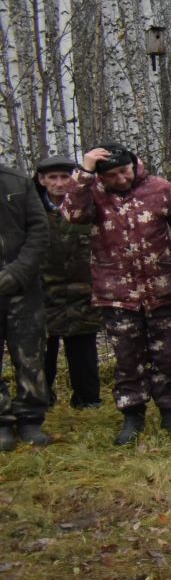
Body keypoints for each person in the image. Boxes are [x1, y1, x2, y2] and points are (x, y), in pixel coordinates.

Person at [60, 146, 171, 444]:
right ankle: (132, 415)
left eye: (125, 171)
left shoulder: (159, 188)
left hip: (160, 288)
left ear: (135, 164)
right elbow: (72, 215)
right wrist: (84, 173)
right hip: (116, 292)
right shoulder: (92, 192)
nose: (122, 179)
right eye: (112, 175)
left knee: (166, 354)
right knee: (126, 357)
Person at [34, 159, 102, 410]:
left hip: (83, 288)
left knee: (83, 347)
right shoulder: (30, 209)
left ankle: (87, 400)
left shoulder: (88, 205)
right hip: (41, 290)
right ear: (41, 180)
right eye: (53, 178)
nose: (59, 183)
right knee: (42, 350)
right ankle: (40, 400)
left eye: (65, 177)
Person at [0, 157, 50, 450]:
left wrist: (17, 273)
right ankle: (2, 424)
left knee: (30, 355)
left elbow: (39, 231)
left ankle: (31, 418)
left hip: (23, 287)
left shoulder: (18, 182)